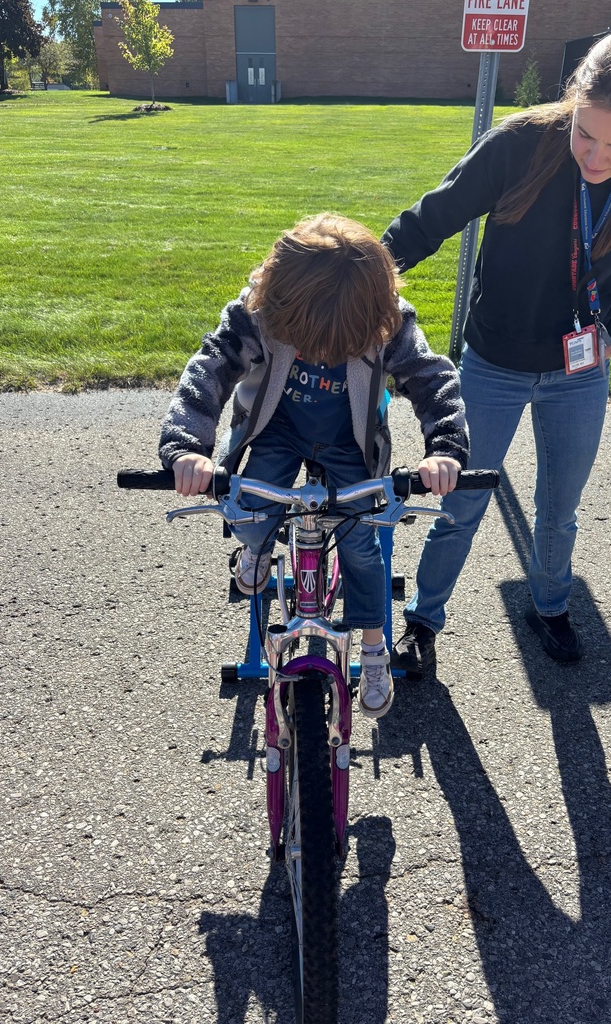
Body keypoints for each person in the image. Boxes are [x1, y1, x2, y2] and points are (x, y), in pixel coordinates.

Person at [382, 24, 611, 674]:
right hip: (494, 363)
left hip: (579, 371)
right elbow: (433, 218)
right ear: (575, 96)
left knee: (559, 510)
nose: (595, 155)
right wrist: (356, 282)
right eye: (585, 132)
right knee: (460, 501)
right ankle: (423, 621)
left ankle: (550, 606)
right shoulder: (522, 144)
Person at [158, 213, 469, 717]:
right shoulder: (258, 310)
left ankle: (372, 650)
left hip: (349, 440)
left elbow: (433, 380)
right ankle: (255, 552)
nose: (323, 352)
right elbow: (210, 369)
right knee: (249, 508)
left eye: (338, 344)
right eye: (308, 341)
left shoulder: (387, 318)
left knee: (362, 547)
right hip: (277, 429)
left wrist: (445, 451)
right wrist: (188, 447)